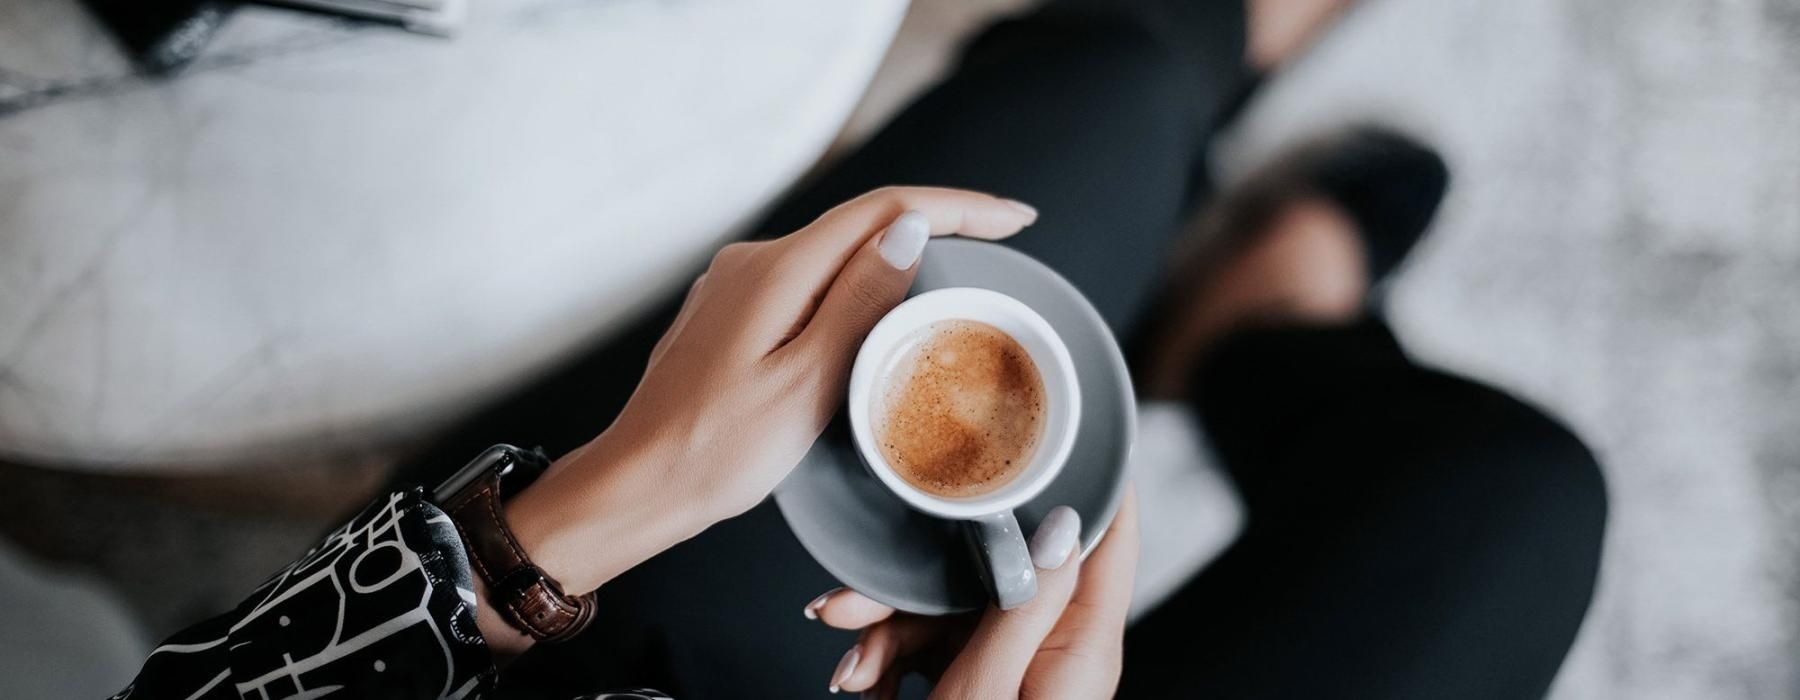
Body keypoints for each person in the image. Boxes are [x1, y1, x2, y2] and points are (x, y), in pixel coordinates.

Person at [112, 0, 1608, 698]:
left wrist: (605, 504)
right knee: (1513, 495)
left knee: (1114, 94)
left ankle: (1204, 87)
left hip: (553, 659)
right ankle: (1258, 328)